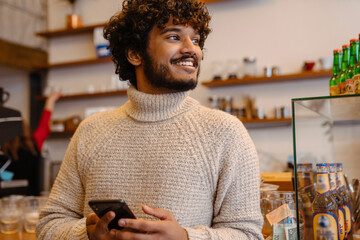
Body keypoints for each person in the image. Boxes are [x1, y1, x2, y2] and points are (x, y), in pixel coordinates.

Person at [36, 0, 263, 239]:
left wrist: (186, 237)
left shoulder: (226, 132)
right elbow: (48, 227)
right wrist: (86, 234)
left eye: (195, 40)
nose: (192, 49)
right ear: (135, 53)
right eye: (174, 37)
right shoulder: (91, 131)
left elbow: (248, 234)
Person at [0, 90, 62, 195]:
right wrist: (51, 100)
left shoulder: (3, 150)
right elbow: (44, 125)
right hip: (31, 200)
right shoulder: (34, 143)